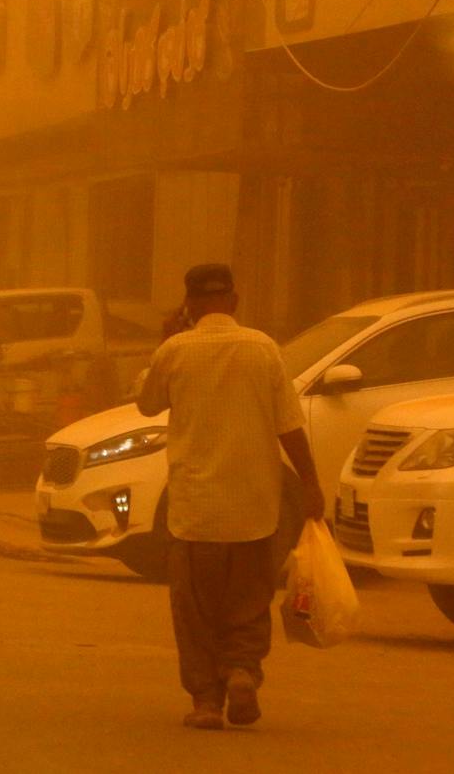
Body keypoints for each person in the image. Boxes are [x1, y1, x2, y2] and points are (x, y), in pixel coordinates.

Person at [137, 264, 326, 731]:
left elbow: (146, 403)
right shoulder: (264, 350)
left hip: (194, 513)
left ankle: (205, 701)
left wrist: (167, 338)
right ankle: (242, 671)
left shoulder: (174, 351)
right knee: (248, 603)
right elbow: (289, 426)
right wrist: (311, 484)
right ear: (235, 301)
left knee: (195, 611)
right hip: (254, 510)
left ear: (190, 304)